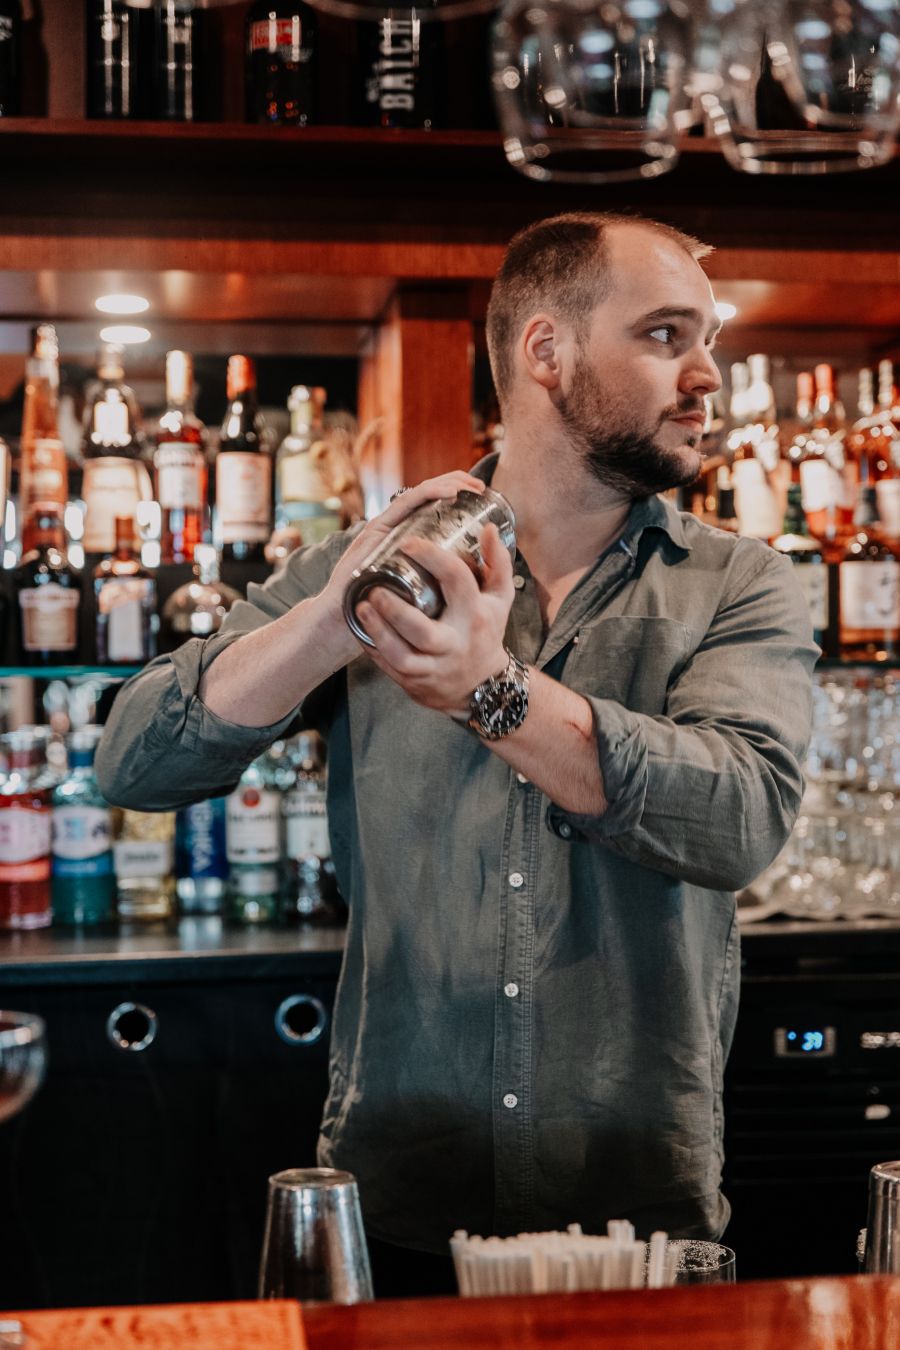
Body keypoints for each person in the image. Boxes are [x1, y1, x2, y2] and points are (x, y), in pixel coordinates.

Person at [96, 211, 817, 1297]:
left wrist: (493, 692)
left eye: (707, 339)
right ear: (547, 352)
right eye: (668, 336)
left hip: (637, 1218)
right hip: (398, 1207)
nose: (708, 374)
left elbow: (738, 821)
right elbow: (133, 764)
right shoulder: (372, 566)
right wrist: (330, 621)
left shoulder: (738, 584)